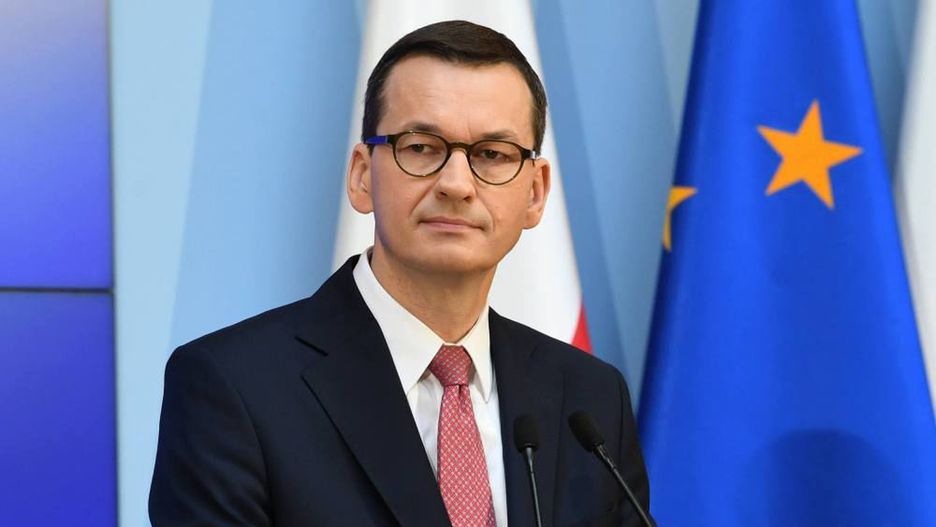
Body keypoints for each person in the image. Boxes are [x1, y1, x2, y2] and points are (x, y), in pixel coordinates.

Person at [150, 20, 650, 526]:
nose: (457, 184)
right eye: (421, 147)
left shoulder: (589, 400)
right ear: (362, 175)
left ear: (535, 192)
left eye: (492, 155)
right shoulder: (235, 387)